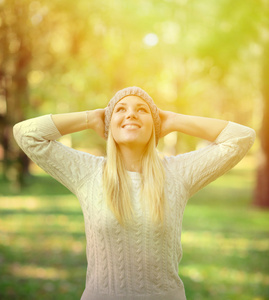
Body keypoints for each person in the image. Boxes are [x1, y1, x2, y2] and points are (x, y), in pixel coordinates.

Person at [13, 86, 256, 300]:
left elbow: (241, 137)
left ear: (155, 124)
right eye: (120, 109)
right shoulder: (88, 173)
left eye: (142, 109)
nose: (130, 113)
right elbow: (27, 134)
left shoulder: (177, 174)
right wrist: (90, 118)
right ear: (109, 125)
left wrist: (173, 119)